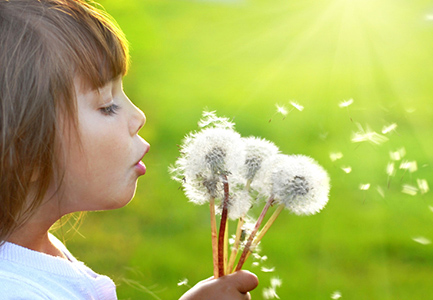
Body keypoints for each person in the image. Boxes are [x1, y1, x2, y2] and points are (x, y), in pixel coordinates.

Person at [0, 0, 259, 299]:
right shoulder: (15, 291)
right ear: (24, 153)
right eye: (107, 106)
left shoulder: (37, 251)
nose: (139, 116)